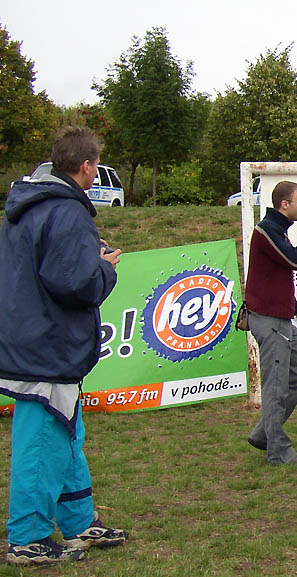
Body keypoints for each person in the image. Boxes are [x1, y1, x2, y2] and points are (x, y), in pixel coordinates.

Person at [0, 127, 128, 566]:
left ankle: (77, 521)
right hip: (46, 347)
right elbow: (74, 284)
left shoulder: (28, 207)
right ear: (87, 166)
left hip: (33, 337)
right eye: (96, 165)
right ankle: (27, 537)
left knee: (67, 432)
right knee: (42, 441)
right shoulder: (66, 211)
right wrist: (103, 268)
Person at [245, 181, 297, 466]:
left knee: (294, 377)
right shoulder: (267, 230)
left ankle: (263, 434)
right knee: (276, 386)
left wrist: (296, 307)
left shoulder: (278, 229)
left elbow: (273, 276)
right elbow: (294, 261)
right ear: (284, 204)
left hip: (281, 317)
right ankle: (278, 452)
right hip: (269, 320)